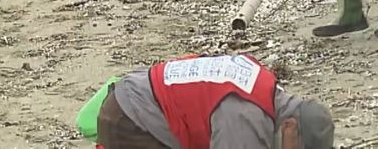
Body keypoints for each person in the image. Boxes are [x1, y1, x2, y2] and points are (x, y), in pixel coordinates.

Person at [96, 54, 335, 148]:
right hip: (132, 120)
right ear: (290, 128)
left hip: (133, 98)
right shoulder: (244, 120)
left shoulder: (262, 89)